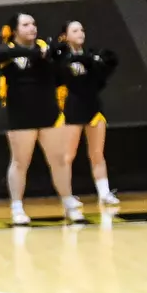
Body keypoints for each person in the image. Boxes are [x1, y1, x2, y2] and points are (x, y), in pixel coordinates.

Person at [0, 13, 85, 225]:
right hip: (20, 114)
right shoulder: (6, 51)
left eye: (34, 24)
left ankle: (68, 202)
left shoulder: (49, 49)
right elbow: (1, 56)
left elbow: (60, 73)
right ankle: (17, 207)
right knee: (20, 162)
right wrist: (39, 53)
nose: (31, 28)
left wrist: (56, 59)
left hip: (49, 112)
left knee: (59, 160)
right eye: (25, 25)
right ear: (15, 30)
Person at [56, 21, 121, 207]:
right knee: (68, 156)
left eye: (82, 29)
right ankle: (66, 195)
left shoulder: (92, 55)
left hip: (93, 107)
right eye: (75, 30)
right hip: (73, 108)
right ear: (65, 36)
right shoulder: (63, 57)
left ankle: (104, 193)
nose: (80, 33)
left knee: (97, 153)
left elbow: (102, 75)